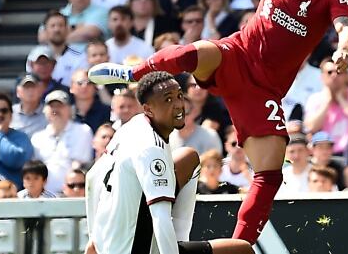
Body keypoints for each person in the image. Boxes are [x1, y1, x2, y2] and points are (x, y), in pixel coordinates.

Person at [90, 0, 348, 246]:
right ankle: (132, 74)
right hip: (237, 54)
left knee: (269, 174)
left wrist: (344, 50)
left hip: (264, 90)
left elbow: (345, 27)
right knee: (200, 49)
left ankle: (240, 246)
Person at [85, 71, 254, 254]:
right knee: (242, 250)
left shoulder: (131, 127)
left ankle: (179, 240)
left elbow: (92, 178)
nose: (178, 105)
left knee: (188, 158)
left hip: (108, 244)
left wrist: (93, 239)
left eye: (180, 96)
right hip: (136, 249)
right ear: (148, 109)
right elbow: (161, 218)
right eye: (167, 100)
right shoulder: (151, 149)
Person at [31, 90, 94, 195]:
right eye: (51, 106)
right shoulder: (37, 138)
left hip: (73, 193)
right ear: (44, 110)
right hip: (44, 196)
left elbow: (81, 164)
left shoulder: (83, 131)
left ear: (70, 109)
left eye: (60, 106)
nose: (55, 110)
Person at [303, 58, 348, 152]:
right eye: (329, 72)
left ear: (346, 75)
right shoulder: (314, 99)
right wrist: (327, 101)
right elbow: (311, 127)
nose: (334, 76)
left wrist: (342, 100)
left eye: (339, 72)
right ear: (322, 76)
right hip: (325, 155)